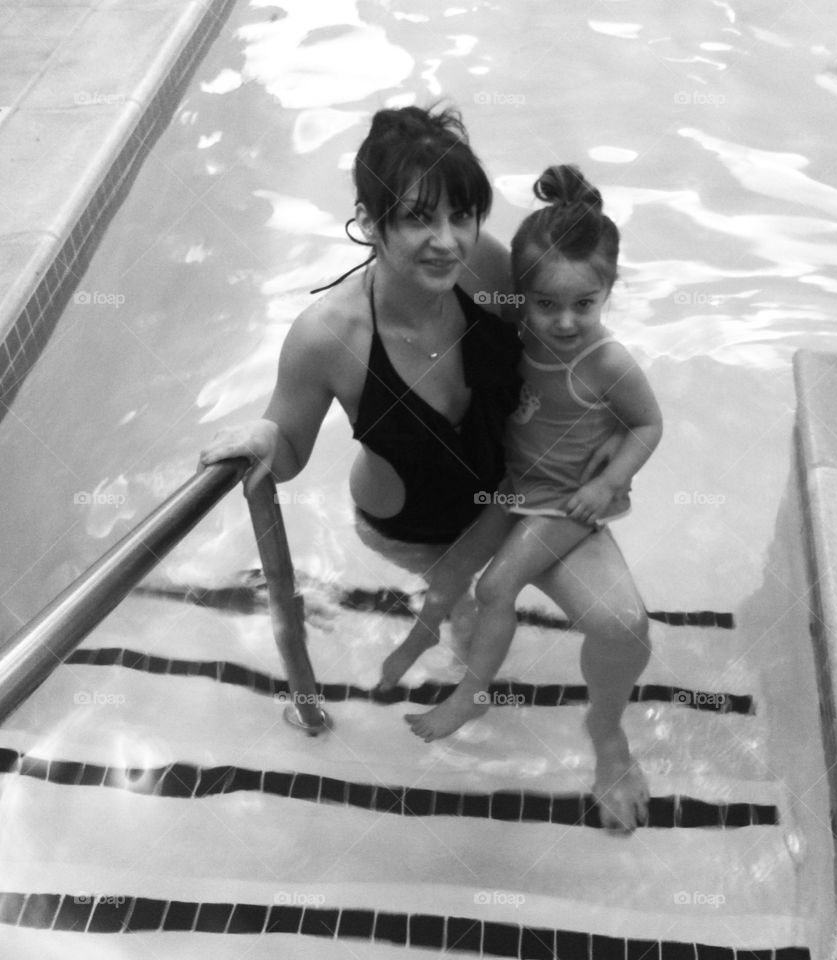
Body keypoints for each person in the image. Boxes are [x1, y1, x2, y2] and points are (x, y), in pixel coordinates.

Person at [199, 104, 653, 832]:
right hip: (412, 529)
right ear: (371, 221)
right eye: (417, 219)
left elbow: (568, 333)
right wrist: (260, 436)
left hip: (523, 494)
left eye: (462, 215)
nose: (446, 241)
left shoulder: (491, 272)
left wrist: (612, 434)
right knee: (472, 635)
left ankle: (608, 738)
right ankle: (458, 623)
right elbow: (286, 454)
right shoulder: (329, 336)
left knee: (625, 626)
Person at [390, 165, 662, 756]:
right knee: (451, 573)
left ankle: (475, 690)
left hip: (564, 500)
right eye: (546, 304)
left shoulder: (607, 363)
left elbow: (648, 423)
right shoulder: (521, 337)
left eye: (584, 304)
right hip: (515, 487)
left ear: (608, 292)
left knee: (496, 587)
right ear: (523, 297)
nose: (564, 321)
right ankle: (423, 637)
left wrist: (611, 481)